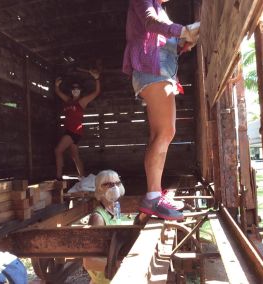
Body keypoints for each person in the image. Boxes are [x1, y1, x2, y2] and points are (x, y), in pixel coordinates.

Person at [122, 0, 200, 220]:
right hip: (153, 71)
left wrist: (182, 43)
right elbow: (150, 22)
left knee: (161, 133)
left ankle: (154, 194)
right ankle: (153, 198)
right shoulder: (145, 3)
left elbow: (162, 40)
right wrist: (183, 30)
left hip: (157, 70)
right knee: (165, 132)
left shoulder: (160, 9)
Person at [54, 70, 101, 180]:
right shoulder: (68, 100)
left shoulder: (82, 102)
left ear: (80, 91)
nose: (75, 90)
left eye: (77, 89)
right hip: (70, 131)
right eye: (73, 89)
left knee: (57, 150)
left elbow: (96, 92)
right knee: (75, 157)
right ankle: (82, 178)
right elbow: (58, 92)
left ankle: (58, 176)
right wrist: (56, 85)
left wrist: (97, 79)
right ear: (71, 91)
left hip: (74, 132)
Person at [83, 170, 127, 284]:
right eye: (107, 184)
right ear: (99, 189)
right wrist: (120, 264)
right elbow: (88, 262)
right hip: (106, 279)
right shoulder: (98, 218)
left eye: (117, 183)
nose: (114, 187)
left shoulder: (115, 208)